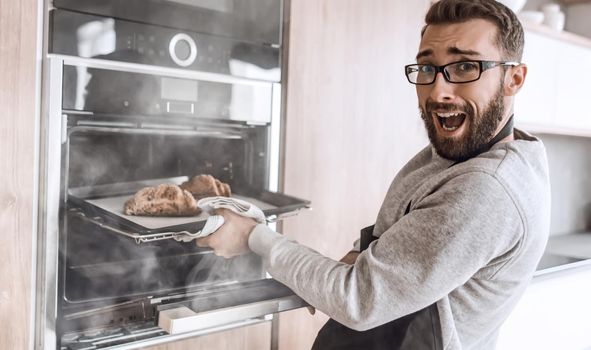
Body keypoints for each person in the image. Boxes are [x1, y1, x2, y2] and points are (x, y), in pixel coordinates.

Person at [196, 0, 550, 349]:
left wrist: (253, 236)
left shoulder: (486, 189)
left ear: (513, 78)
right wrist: (314, 278)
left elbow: (360, 300)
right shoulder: (458, 151)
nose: (439, 91)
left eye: (464, 67)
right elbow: (390, 247)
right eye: (427, 69)